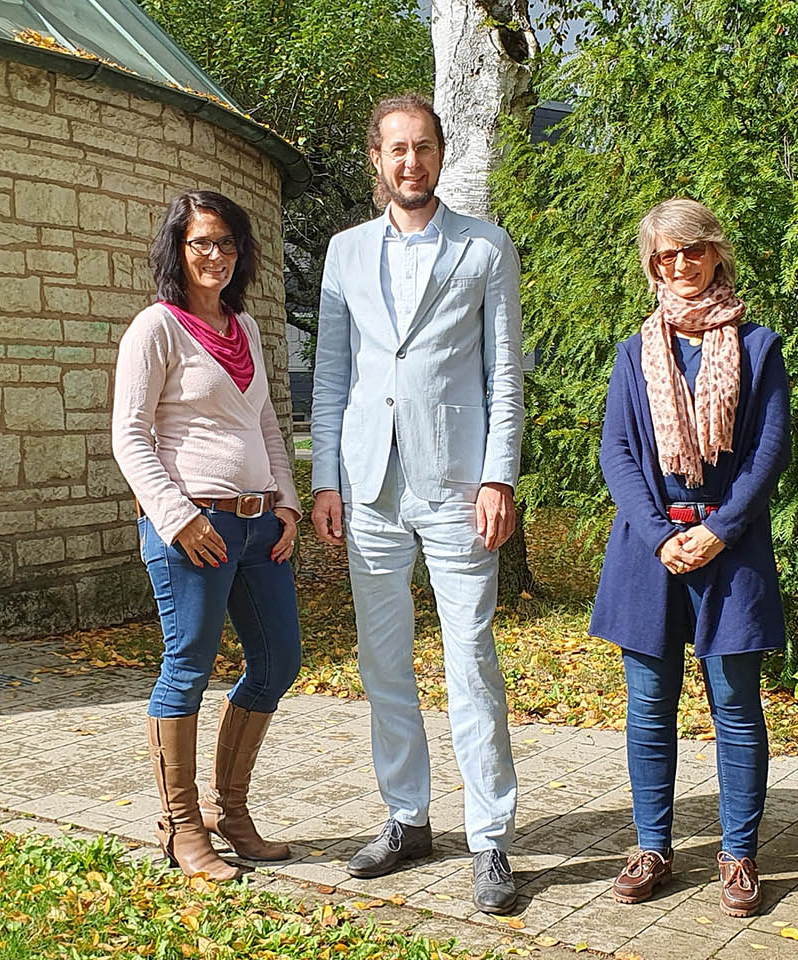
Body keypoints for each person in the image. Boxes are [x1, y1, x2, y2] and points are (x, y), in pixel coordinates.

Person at [309, 92, 526, 913]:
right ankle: (407, 817)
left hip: (459, 487)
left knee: (470, 659)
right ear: (375, 157)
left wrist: (499, 477)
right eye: (396, 149)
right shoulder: (343, 253)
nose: (411, 162)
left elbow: (505, 374)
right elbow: (333, 376)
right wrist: (327, 481)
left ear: (440, 153)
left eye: (423, 147)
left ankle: (492, 840)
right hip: (368, 489)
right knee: (382, 662)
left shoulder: (485, 247)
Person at [590, 198, 791, 916]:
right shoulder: (633, 351)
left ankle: (737, 856)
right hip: (651, 550)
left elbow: (769, 452)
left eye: (693, 250)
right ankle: (653, 847)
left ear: (715, 255)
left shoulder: (758, 345)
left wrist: (721, 529)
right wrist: (656, 532)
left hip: (729, 548)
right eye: (666, 255)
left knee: (735, 706)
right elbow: (616, 452)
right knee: (648, 708)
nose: (681, 265)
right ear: (653, 267)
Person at [113, 190, 303, 883]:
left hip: (258, 527)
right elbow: (130, 437)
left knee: (279, 660)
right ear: (177, 249)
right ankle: (180, 825)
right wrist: (177, 516)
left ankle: (231, 811)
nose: (215, 255)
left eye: (226, 242)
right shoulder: (155, 329)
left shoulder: (244, 327)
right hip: (193, 526)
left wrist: (285, 502)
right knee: (188, 664)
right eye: (201, 243)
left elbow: (265, 425)